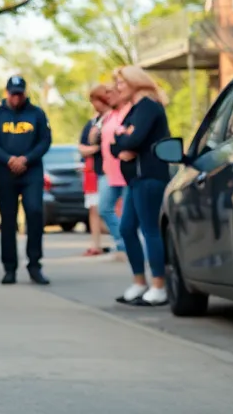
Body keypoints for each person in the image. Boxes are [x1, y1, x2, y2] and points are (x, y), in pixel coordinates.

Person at [110, 66, 172, 307]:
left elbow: (133, 139)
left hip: (149, 177)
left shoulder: (148, 107)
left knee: (149, 230)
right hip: (134, 180)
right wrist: (123, 140)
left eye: (121, 83)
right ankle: (139, 282)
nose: (117, 87)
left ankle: (159, 286)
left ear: (135, 82)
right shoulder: (134, 111)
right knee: (126, 229)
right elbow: (116, 145)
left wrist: (126, 138)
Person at [0, 75, 53, 285]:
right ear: (7, 93)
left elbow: (45, 140)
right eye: (13, 94)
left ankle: (34, 265)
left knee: (34, 212)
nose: (16, 98)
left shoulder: (37, 114)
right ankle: (9, 268)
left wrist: (26, 159)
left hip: (31, 172)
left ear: (25, 93)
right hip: (5, 172)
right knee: (8, 219)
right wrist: (9, 159)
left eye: (20, 93)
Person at [77, 84, 114, 257]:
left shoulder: (113, 118)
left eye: (95, 101)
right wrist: (92, 148)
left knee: (107, 208)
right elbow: (84, 145)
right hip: (93, 170)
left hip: (111, 170)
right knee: (94, 208)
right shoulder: (93, 122)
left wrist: (95, 146)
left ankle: (121, 241)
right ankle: (96, 244)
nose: (94, 105)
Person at [98, 82, 131, 261]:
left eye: (111, 93)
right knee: (104, 208)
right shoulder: (109, 115)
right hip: (109, 171)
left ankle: (128, 246)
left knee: (128, 215)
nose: (108, 96)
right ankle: (123, 243)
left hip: (125, 171)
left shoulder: (129, 112)